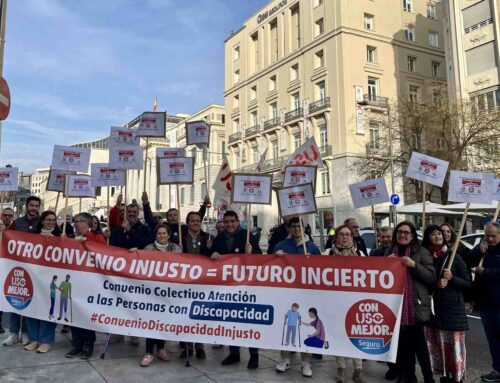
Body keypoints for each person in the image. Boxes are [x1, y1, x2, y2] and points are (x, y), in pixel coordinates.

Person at [209, 210, 262, 369]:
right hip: (228, 289)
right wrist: (212, 252)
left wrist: (252, 253)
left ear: (238, 221)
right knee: (230, 319)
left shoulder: (247, 236)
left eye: (232, 221)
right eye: (226, 222)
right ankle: (234, 353)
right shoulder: (219, 238)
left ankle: (254, 355)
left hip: (247, 287)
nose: (230, 224)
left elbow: (260, 256)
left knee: (249, 320)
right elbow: (209, 257)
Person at [387, 221, 436, 383]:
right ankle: (408, 376)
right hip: (395, 306)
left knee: (419, 347)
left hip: (415, 306)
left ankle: (429, 378)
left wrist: (414, 265)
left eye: (407, 232)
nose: (403, 235)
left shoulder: (421, 252)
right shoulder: (389, 250)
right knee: (401, 346)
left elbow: (431, 277)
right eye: (400, 232)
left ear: (413, 235)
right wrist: (386, 264)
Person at [422, 225, 471, 383]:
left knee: (454, 347)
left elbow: (468, 283)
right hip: (435, 309)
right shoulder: (426, 257)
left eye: (439, 233)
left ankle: (457, 377)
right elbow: (423, 282)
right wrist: (435, 284)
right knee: (439, 345)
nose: (437, 236)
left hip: (453, 310)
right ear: (427, 238)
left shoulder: (453, 256)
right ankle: (445, 375)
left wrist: (452, 279)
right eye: (433, 234)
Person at [274, 217, 320, 377]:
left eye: (299, 226)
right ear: (288, 228)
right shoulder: (281, 246)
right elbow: (271, 266)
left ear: (304, 228)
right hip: (287, 293)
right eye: (293, 226)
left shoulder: (312, 248)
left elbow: (322, 270)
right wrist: (276, 256)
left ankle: (306, 362)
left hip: (307, 293)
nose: (296, 229)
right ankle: (285, 359)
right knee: (287, 326)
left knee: (306, 328)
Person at [328, 225, 367, 383]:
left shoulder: (361, 254)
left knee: (357, 334)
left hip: (355, 300)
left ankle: (358, 369)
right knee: (339, 334)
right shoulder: (328, 254)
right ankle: (341, 368)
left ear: (352, 237)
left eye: (348, 234)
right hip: (336, 301)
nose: (345, 237)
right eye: (342, 234)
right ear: (336, 237)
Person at [140, 224, 181, 367]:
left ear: (169, 235)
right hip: (152, 290)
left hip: (169, 290)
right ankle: (149, 352)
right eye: (159, 233)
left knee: (163, 320)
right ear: (155, 235)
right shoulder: (148, 248)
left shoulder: (177, 248)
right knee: (151, 321)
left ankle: (161, 348)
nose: (162, 236)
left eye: (164, 233)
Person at [66, 213, 105, 359]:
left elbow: (102, 254)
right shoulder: (71, 238)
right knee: (74, 313)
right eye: (75, 221)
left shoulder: (97, 237)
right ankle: (77, 344)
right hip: (74, 281)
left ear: (87, 223)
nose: (76, 224)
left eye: (79, 221)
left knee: (86, 314)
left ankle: (88, 344)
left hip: (90, 283)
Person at [3, 196, 41, 347]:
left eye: (36, 206)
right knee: (14, 299)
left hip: (36, 269)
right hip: (17, 267)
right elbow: (6, 239)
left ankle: (25, 333)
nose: (34, 208)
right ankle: (13, 333)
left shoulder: (43, 222)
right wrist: (3, 231)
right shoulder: (16, 223)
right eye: (31, 205)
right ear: (26, 206)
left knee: (29, 302)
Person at [467, 223, 500, 382]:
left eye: (493, 235)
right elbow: (467, 260)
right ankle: (497, 369)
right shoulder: (484, 247)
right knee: (492, 339)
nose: (490, 238)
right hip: (485, 302)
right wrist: (478, 250)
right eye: (487, 235)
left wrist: (486, 272)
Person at [23, 211, 60, 354]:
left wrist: (60, 241)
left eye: (53, 220)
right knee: (32, 308)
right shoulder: (33, 236)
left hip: (50, 278)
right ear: (42, 221)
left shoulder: (60, 236)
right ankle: (34, 339)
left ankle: (46, 341)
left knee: (47, 309)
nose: (51, 222)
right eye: (48, 219)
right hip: (34, 277)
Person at [179, 211, 211, 359]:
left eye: (198, 220)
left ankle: (200, 346)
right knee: (185, 315)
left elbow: (214, 256)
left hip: (202, 282)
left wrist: (212, 250)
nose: (196, 223)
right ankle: (187, 347)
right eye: (192, 221)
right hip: (184, 282)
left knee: (200, 315)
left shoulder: (208, 237)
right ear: (187, 222)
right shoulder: (180, 237)